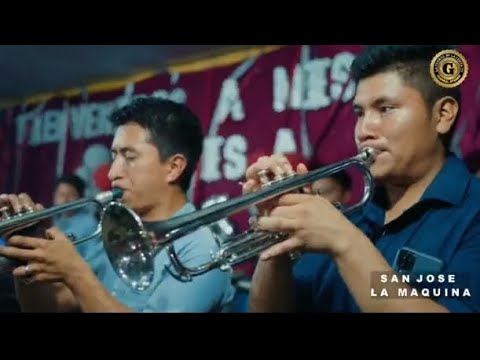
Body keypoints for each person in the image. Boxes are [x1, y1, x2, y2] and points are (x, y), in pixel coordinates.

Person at [244, 45, 480, 312]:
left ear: (443, 115)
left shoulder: (473, 214)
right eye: (360, 113)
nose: (364, 130)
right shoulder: (351, 217)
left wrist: (345, 242)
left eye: (385, 109)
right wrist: (276, 238)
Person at [0, 96, 235, 312]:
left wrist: (76, 273)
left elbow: (81, 283)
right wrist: (29, 254)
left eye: (129, 157)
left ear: (173, 168)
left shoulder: (202, 251)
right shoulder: (118, 228)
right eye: (114, 157)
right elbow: (50, 307)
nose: (112, 173)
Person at [51, 174, 99, 258]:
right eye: (61, 194)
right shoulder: (55, 221)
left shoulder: (89, 223)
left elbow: (93, 256)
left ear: (80, 198)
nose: (65, 200)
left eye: (71, 195)